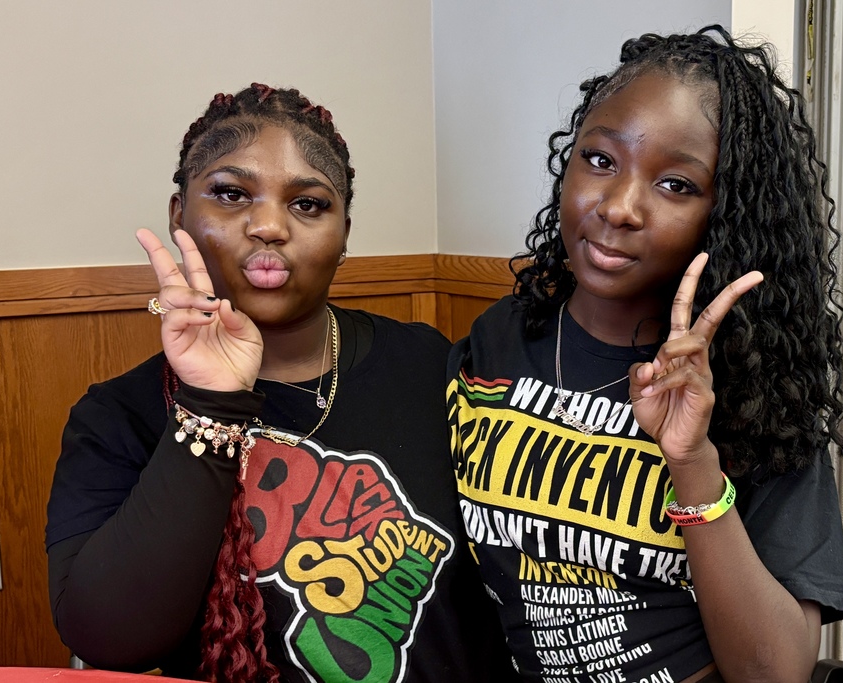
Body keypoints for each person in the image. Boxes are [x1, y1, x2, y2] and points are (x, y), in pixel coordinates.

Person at [46, 84, 518, 683]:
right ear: (178, 215)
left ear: (344, 234)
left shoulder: (428, 364)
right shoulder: (117, 416)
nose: (269, 225)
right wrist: (210, 405)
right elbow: (109, 639)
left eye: (309, 204)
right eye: (231, 193)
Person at [447, 26, 843, 683]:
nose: (619, 207)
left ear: (725, 213)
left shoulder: (758, 392)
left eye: (675, 184)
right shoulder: (499, 339)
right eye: (600, 159)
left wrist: (692, 461)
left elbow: (775, 672)